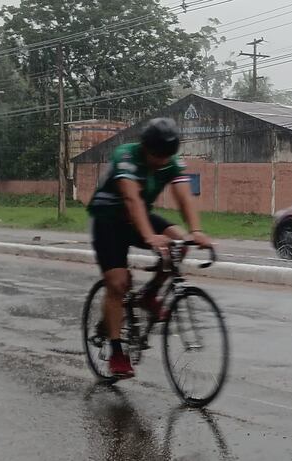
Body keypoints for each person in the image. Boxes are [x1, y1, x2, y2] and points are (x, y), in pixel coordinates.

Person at [87, 118, 212, 378]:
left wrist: (196, 231)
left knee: (179, 243)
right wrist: (150, 237)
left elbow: (183, 195)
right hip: (109, 220)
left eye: (167, 156)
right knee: (118, 283)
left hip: (140, 217)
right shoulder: (126, 156)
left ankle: (149, 294)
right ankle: (116, 350)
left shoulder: (170, 161)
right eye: (157, 155)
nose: (162, 161)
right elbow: (132, 199)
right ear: (145, 148)